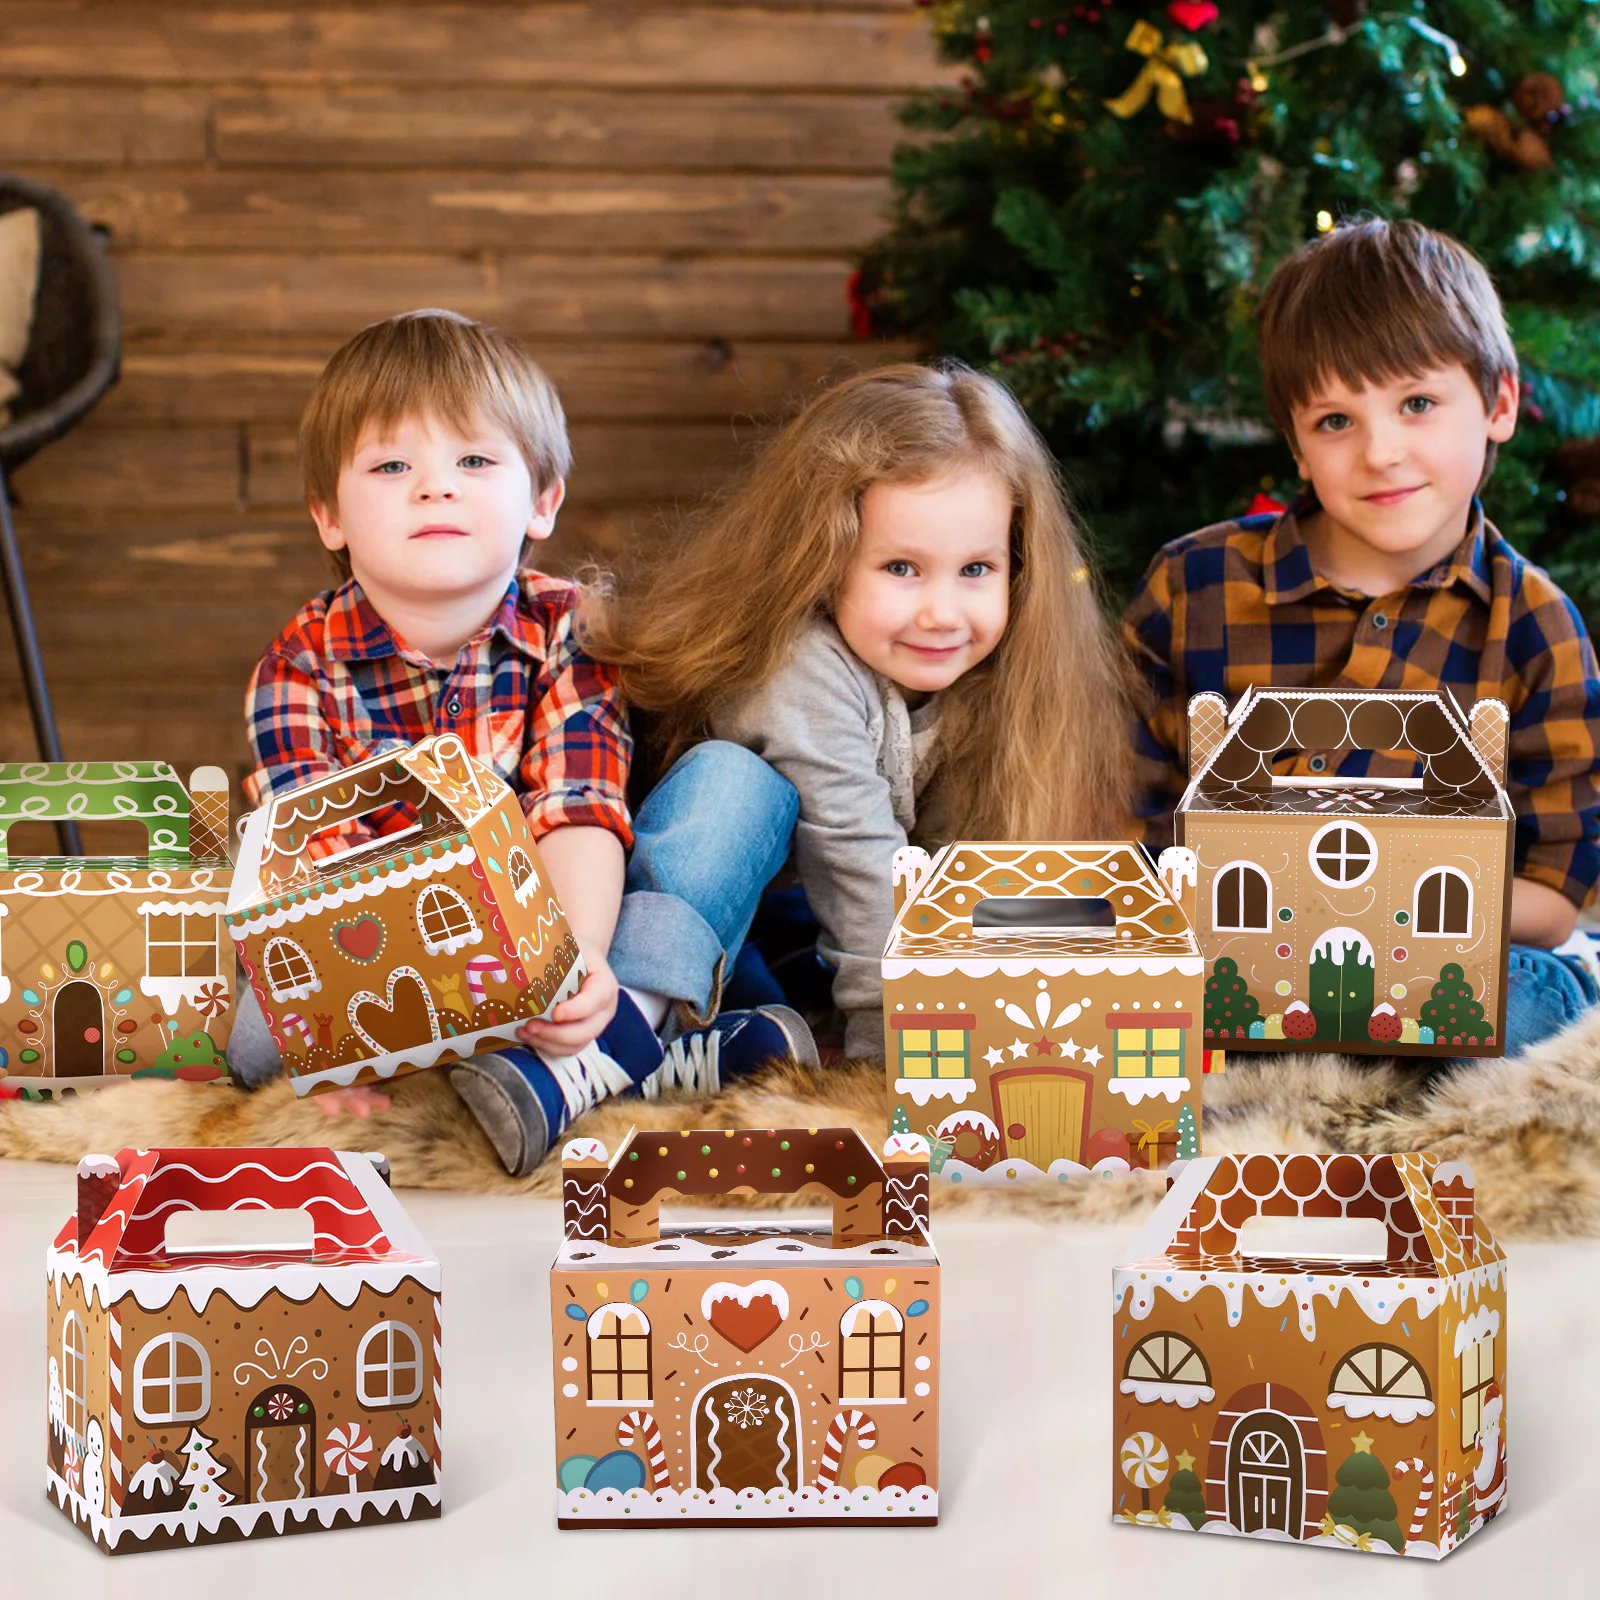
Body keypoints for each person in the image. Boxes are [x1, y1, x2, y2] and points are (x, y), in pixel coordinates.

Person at [237, 309, 813, 1174]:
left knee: (735, 786)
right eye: (393, 466)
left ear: (542, 501)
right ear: (330, 516)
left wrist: (572, 962)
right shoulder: (296, 668)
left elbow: (577, 808)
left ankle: (602, 1033)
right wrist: (352, 1032)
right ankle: (653, 1052)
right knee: (252, 1038)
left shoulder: (570, 632)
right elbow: (326, 872)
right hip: (396, 957)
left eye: (474, 461)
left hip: (577, 922)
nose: (436, 488)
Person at [1124, 218, 1600, 1058]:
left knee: (1534, 1007)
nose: (1382, 452)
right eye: (1336, 422)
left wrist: (1383, 898)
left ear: (1498, 405)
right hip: (1236, 948)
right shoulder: (1192, 586)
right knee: (1134, 995)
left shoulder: (1536, 625)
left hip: (1444, 958)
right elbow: (1126, 825)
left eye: (1417, 404)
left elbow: (1556, 897)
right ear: (1298, 448)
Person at [581, 361, 1136, 1059]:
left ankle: (730, 1042)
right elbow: (858, 861)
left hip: (796, 949)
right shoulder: (798, 667)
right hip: (679, 926)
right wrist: (894, 1060)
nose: (941, 613)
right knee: (734, 779)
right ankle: (618, 1039)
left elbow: (955, 877)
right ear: (824, 560)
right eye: (901, 568)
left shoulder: (994, 678)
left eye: (976, 570)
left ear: (1016, 566)